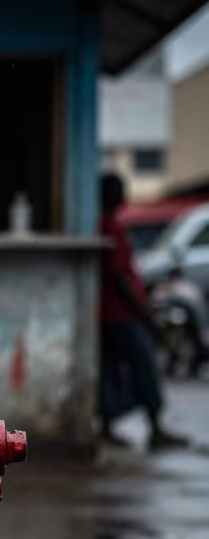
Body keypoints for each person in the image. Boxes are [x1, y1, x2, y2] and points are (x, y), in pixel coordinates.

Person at [99, 173, 186, 449]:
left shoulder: (107, 226)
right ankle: (155, 427)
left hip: (112, 313)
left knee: (112, 370)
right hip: (122, 314)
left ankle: (109, 425)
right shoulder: (110, 227)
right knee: (144, 366)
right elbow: (118, 276)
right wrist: (145, 313)